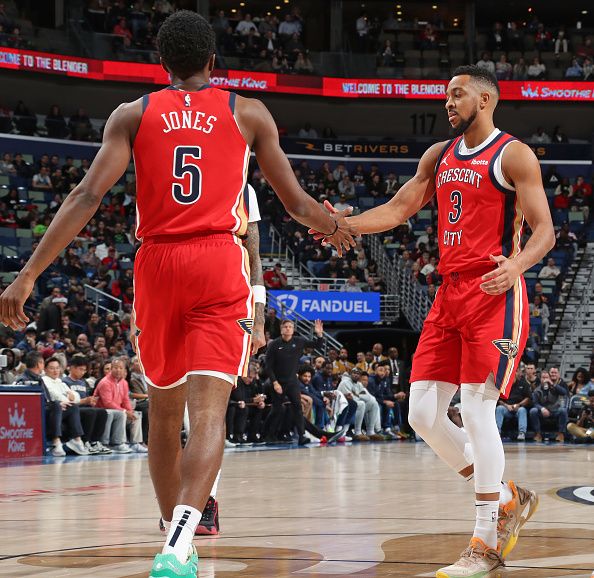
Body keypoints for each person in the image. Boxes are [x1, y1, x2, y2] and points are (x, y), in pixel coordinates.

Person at [0, 11, 354, 578]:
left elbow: (87, 196)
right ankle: (182, 538)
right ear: (214, 62)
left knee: (163, 416)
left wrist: (27, 275)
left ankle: (177, 545)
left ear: (161, 64)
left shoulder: (133, 114)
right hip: (217, 259)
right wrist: (337, 226)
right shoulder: (247, 112)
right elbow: (295, 203)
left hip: (157, 265)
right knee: (208, 412)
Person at [311, 65, 554, 575]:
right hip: (449, 295)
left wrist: (518, 264)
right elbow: (400, 208)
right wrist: (344, 224)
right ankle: (507, 496)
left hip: (494, 291)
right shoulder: (438, 155)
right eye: (446, 94)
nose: (448, 102)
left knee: (476, 408)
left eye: (457, 94)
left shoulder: (513, 155)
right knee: (421, 414)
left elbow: (545, 232)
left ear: (485, 100)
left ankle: (486, 542)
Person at [265, 319, 324, 445]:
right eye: (285, 326)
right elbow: (268, 366)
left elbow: (317, 345)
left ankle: (301, 436)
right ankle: (268, 434)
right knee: (277, 410)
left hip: (292, 382)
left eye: (290, 327)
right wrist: (275, 382)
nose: (287, 328)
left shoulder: (299, 341)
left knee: (297, 408)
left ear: (293, 329)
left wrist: (319, 334)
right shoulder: (274, 344)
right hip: (278, 383)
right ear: (281, 329)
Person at [94, 356, 147, 453]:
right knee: (120, 414)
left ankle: (135, 443)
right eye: (115, 367)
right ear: (111, 369)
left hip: (117, 411)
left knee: (136, 414)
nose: (118, 370)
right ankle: (116, 444)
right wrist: (125, 411)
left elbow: (126, 400)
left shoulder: (124, 383)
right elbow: (107, 403)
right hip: (103, 411)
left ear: (124, 370)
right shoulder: (105, 382)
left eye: (121, 368)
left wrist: (130, 411)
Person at [62, 355, 113, 454]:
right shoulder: (64, 382)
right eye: (80, 369)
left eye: (84, 370)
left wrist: (91, 401)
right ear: (72, 368)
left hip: (84, 407)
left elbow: (87, 398)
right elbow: (67, 400)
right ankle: (85, 441)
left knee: (102, 412)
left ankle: (95, 442)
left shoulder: (83, 383)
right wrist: (84, 401)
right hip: (73, 409)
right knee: (90, 412)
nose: (82, 372)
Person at [529, 370, 568, 443]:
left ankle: (561, 434)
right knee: (533, 411)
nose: (545, 379)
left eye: (547, 377)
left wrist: (553, 384)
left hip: (554, 410)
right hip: (543, 412)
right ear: (540, 379)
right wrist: (542, 408)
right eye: (543, 377)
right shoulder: (537, 390)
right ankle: (538, 434)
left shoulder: (555, 387)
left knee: (563, 410)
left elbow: (564, 392)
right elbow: (535, 403)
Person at [495, 367, 531, 440]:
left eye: (515, 372)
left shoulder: (524, 383)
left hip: (518, 407)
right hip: (507, 408)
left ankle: (522, 433)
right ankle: (497, 432)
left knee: (522, 410)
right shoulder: (504, 384)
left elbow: (528, 398)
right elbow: (499, 399)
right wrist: (506, 405)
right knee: (499, 408)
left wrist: (519, 405)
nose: (514, 374)